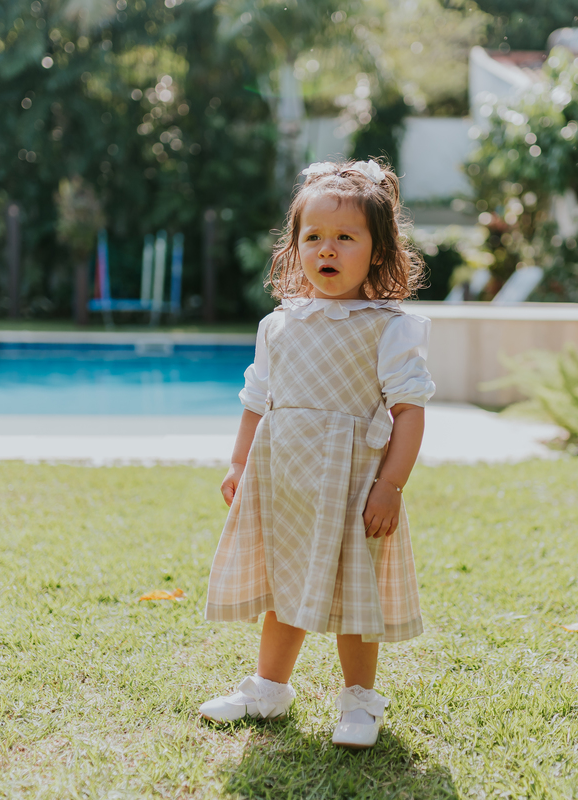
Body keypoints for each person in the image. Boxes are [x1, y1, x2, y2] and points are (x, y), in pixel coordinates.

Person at [199, 158, 435, 750]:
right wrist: (238, 463)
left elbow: (409, 412)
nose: (327, 249)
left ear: (378, 253)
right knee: (283, 586)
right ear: (295, 247)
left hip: (353, 485)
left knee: (354, 596)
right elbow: (257, 400)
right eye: (314, 237)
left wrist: (391, 485)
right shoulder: (278, 324)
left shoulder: (387, 327)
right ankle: (268, 688)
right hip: (285, 482)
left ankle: (359, 701)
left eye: (346, 238)